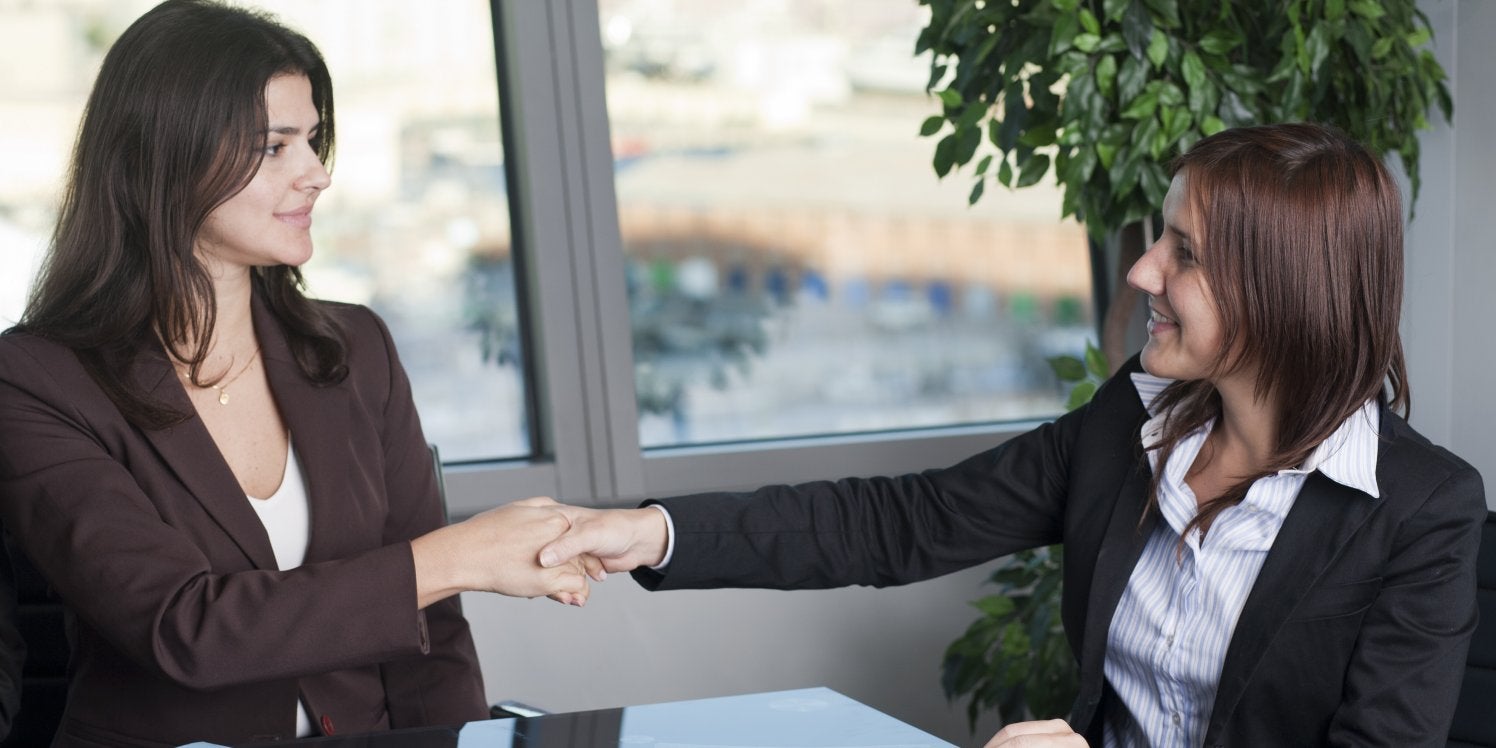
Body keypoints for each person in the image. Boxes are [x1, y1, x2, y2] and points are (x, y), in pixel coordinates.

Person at [534, 123, 1487, 747]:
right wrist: (652, 531)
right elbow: (901, 522)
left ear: (1284, 295)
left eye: (1183, 254)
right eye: (1161, 237)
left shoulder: (1419, 510)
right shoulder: (1138, 422)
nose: (1144, 271)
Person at [0, 1, 590, 744]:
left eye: (311, 141)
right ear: (167, 154)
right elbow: (187, 628)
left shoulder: (354, 346)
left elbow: (432, 639)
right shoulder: (36, 380)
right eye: (275, 147)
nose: (316, 174)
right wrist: (454, 555)